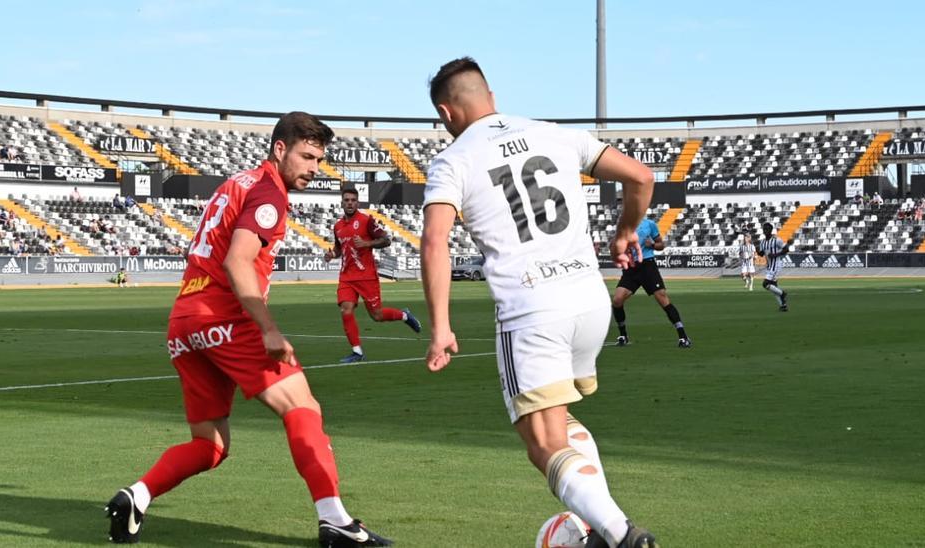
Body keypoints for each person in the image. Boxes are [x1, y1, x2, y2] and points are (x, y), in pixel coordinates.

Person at [105, 112, 392, 547]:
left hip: (185, 321)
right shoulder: (269, 193)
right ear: (280, 149)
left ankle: (137, 496)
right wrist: (269, 329)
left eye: (319, 160)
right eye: (307, 156)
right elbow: (236, 261)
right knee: (303, 408)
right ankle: (335, 520)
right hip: (224, 316)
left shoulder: (236, 182)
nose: (314, 169)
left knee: (211, 446)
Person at [419, 57, 659, 548]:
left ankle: (622, 536)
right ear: (491, 94)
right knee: (562, 421)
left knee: (544, 444)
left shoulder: (454, 159)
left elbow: (434, 240)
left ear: (446, 113)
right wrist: (626, 232)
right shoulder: (554, 133)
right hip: (589, 301)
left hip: (533, 309)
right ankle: (598, 531)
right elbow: (641, 176)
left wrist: (441, 325)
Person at [323, 188, 421, 363]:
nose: (350, 203)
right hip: (346, 277)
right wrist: (332, 255)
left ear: (357, 203)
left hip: (366, 276)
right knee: (346, 309)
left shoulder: (366, 220)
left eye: (353, 200)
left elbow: (386, 240)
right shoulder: (337, 226)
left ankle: (405, 315)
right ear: (342, 203)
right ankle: (357, 352)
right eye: (347, 200)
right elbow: (339, 249)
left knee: (377, 315)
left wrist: (367, 243)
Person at [610, 213, 691, 348]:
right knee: (617, 300)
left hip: (647, 266)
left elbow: (661, 245)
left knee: (663, 299)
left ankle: (683, 336)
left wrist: (652, 244)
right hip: (631, 268)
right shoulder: (623, 225)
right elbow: (615, 245)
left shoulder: (649, 224)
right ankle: (623, 335)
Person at [755, 222, 790, 312]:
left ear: (771, 230)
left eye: (767, 229)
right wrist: (757, 249)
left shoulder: (776, 240)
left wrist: (775, 254)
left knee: (765, 284)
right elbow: (762, 254)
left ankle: (783, 294)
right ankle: (783, 305)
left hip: (776, 265)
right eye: (764, 229)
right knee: (774, 287)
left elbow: (786, 249)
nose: (765, 231)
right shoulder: (762, 242)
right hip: (770, 266)